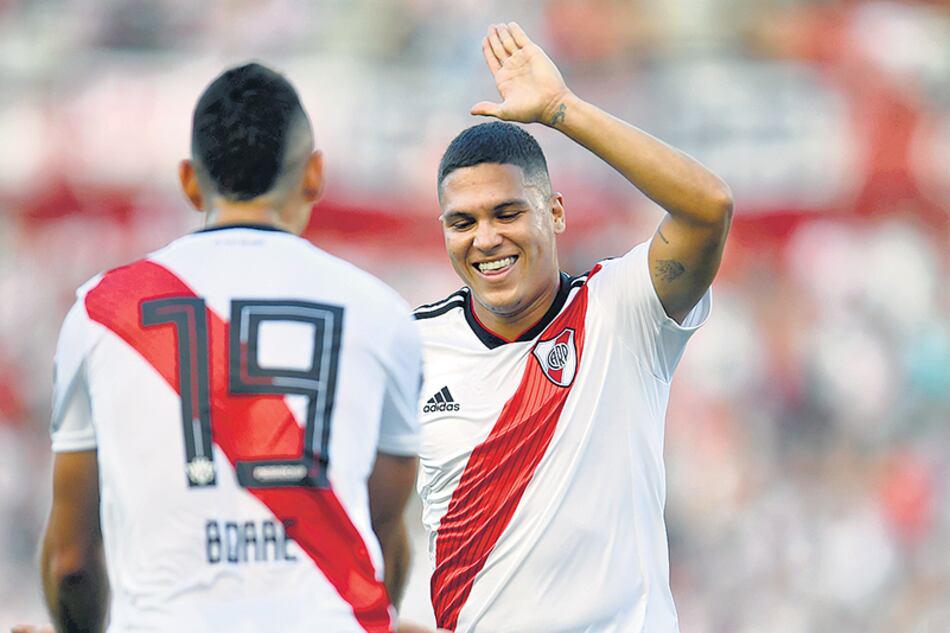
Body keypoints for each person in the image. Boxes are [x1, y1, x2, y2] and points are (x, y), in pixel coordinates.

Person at [35, 63, 429, 633]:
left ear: (191, 181)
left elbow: (70, 562)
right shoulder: (383, 313)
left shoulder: (100, 312)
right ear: (314, 175)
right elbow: (383, 533)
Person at [414, 23, 733, 632]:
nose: (486, 239)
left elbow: (707, 207)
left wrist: (563, 111)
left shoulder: (624, 311)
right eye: (463, 222)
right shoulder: (410, 346)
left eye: (508, 212)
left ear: (554, 212)